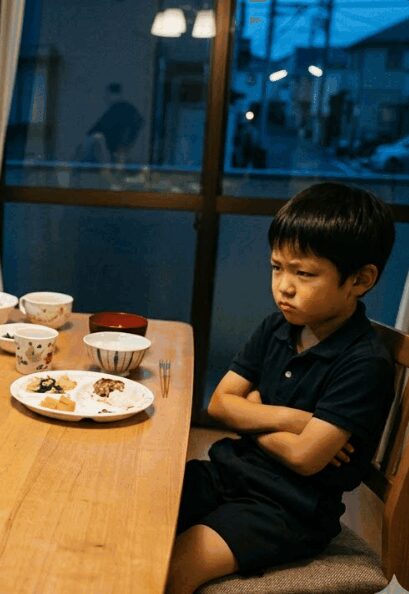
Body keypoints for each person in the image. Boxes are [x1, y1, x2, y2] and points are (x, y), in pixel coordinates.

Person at [166, 182, 396, 593]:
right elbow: (218, 404)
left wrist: (252, 412)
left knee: (176, 568)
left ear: (360, 280)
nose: (283, 286)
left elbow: (306, 459)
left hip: (288, 509)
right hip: (229, 472)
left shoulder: (364, 362)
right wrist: (296, 419)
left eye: (304, 273)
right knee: (138, 509)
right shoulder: (277, 326)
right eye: (277, 267)